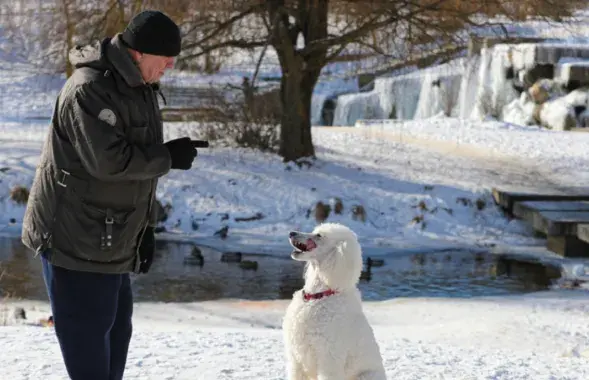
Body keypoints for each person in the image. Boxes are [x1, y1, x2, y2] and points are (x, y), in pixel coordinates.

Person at [21, 10, 198, 380]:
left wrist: (143, 231)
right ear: (139, 52)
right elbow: (109, 162)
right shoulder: (90, 89)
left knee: (116, 341)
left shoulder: (137, 86)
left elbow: (135, 173)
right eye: (165, 57)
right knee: (91, 360)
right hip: (75, 242)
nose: (170, 65)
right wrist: (168, 157)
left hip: (111, 240)